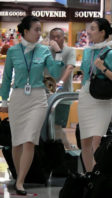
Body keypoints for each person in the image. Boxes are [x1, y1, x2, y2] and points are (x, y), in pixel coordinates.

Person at [0, 15, 63, 195]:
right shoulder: (12, 51)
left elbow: (55, 73)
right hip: (18, 97)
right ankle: (20, 175)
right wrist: (4, 100)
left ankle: (20, 182)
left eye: (39, 29)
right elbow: (6, 79)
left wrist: (57, 53)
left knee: (30, 140)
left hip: (38, 98)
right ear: (25, 31)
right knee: (17, 142)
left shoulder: (43, 51)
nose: (39, 33)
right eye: (36, 29)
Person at [78, 18, 112, 172]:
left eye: (93, 28)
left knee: (97, 140)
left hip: (102, 100)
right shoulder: (87, 51)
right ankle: (90, 176)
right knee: (85, 141)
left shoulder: (110, 53)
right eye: (89, 28)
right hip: (85, 97)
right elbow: (84, 73)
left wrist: (102, 68)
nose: (89, 31)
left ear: (102, 32)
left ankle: (99, 176)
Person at [48, 27, 76, 149]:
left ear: (63, 38)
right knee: (50, 124)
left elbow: (69, 68)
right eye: (52, 37)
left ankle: (66, 147)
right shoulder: (46, 51)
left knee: (57, 125)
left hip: (63, 96)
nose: (55, 39)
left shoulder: (69, 51)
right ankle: (63, 147)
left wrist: (59, 83)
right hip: (47, 95)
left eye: (58, 36)